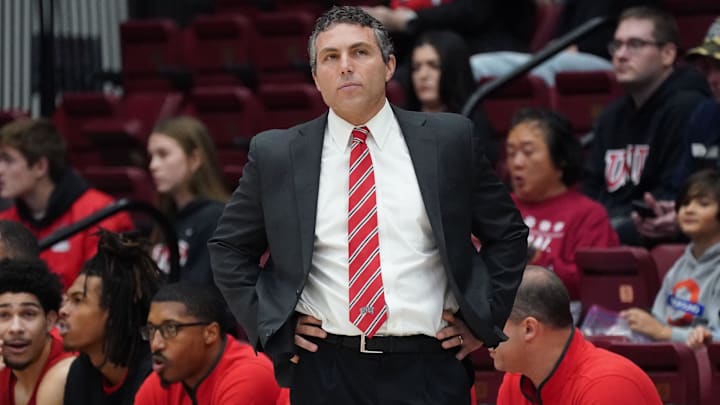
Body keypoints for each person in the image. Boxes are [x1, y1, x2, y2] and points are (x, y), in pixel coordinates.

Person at [209, 6, 528, 405]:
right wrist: (271, 322)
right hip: (325, 368)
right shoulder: (277, 153)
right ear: (315, 77)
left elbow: (508, 234)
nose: (345, 67)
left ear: (390, 65)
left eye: (360, 52)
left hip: (429, 366)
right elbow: (228, 247)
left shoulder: (449, 141)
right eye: (330, 57)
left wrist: (483, 320)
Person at [582, 6, 711, 246]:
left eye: (635, 44)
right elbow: (591, 188)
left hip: (654, 233)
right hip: (610, 225)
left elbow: (674, 194)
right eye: (617, 45)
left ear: (667, 54)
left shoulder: (689, 109)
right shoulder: (611, 116)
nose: (621, 55)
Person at [491, 266, 662, 404]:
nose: (483, 337)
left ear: (529, 329)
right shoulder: (516, 380)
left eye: (494, 324)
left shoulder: (608, 386)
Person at [0, 118, 135, 288]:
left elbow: (101, 295)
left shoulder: (102, 214)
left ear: (40, 166)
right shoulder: (5, 221)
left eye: (8, 160)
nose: (0, 170)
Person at [506, 108, 619, 306]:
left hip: (557, 316)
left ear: (560, 160)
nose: (516, 163)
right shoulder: (497, 207)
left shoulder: (589, 215)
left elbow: (593, 286)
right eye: (511, 153)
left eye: (528, 152)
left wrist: (536, 257)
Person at [134, 282, 284, 405]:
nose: (156, 344)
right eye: (152, 330)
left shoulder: (248, 376)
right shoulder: (166, 379)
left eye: (170, 328)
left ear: (210, 333)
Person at [58, 230, 162, 405]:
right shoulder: (80, 372)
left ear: (114, 312)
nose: (63, 311)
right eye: (66, 300)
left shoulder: (157, 376)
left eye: (77, 300)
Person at [620, 169, 720, 343]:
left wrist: (666, 333)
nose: (689, 210)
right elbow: (660, 320)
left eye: (703, 204)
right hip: (671, 359)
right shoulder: (679, 265)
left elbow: (716, 337)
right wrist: (641, 323)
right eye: (685, 203)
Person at [147, 116, 229, 285]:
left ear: (195, 159)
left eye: (163, 154)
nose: (153, 165)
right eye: (151, 156)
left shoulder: (218, 219)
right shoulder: (164, 218)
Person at [404, 30, 497, 162]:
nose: (423, 75)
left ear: (453, 70)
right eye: (416, 67)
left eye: (434, 66)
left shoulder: (471, 126)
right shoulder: (398, 123)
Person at [0, 259, 74, 405]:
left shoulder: (65, 373)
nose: (16, 328)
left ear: (50, 321)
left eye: (28, 314)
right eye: (4, 315)